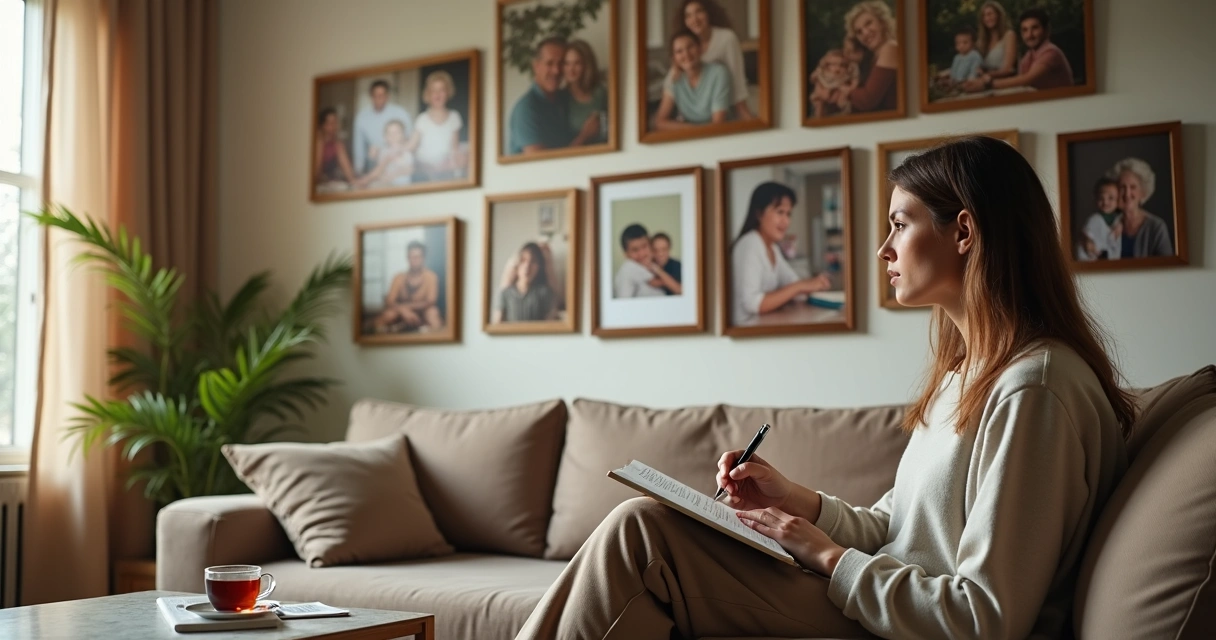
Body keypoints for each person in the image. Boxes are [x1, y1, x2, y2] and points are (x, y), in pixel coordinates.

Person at [514, 136, 1133, 640]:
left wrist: (827, 557)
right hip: (883, 605)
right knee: (642, 528)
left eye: (899, 223)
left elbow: (983, 619)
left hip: (903, 627)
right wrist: (793, 502)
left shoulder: (1034, 391)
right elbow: (899, 529)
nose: (885, 248)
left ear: (964, 232)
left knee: (641, 535)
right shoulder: (968, 373)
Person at [730, 182, 832, 326]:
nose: (786, 221)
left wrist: (813, 284)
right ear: (759, 213)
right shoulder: (750, 244)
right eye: (780, 212)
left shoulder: (773, 249)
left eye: (788, 214)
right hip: (745, 332)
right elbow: (752, 303)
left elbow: (795, 287)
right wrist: (800, 286)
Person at [667, 0, 754, 120]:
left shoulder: (726, 38)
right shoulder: (684, 48)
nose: (694, 19)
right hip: (692, 114)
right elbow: (670, 83)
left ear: (709, 13)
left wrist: (745, 113)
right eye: (688, 16)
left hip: (722, 107)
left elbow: (737, 81)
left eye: (699, 12)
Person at [509, 37, 590, 155]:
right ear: (536, 66)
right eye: (550, 63)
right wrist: (584, 136)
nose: (556, 71)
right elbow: (541, 164)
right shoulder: (526, 109)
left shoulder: (564, 99)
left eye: (561, 63)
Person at [966, 8, 1074, 93]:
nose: (1029, 35)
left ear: (1046, 30)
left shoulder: (1050, 52)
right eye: (1025, 30)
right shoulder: (1029, 55)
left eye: (1035, 28)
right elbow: (1019, 80)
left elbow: (1026, 80)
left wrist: (988, 84)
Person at [654, 29, 731, 129]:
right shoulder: (673, 77)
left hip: (721, 135)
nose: (686, 54)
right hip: (691, 135)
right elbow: (660, 121)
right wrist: (693, 131)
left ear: (700, 49)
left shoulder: (719, 73)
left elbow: (718, 124)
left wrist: (692, 131)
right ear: (674, 58)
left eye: (690, 47)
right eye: (679, 51)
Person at [834, 1, 900, 114]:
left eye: (868, 23)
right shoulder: (873, 58)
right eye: (859, 32)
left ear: (881, 21)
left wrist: (847, 91)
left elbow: (867, 100)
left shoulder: (890, 47)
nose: (865, 33)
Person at [1107, 157, 1173, 258]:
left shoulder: (1156, 227)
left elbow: (1170, 268)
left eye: (1133, 187)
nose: (1127, 194)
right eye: (1122, 187)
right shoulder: (1107, 223)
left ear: (1143, 192)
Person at [374, 241, 442, 333]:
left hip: (423, 313)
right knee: (388, 315)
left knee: (433, 313)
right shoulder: (399, 277)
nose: (414, 260)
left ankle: (425, 331)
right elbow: (390, 300)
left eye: (417, 257)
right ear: (407, 258)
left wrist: (406, 308)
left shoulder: (431, 276)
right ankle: (395, 329)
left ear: (423, 258)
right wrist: (403, 310)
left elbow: (431, 300)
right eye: (411, 257)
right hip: (401, 314)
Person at [409, 70, 464, 182]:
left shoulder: (454, 117)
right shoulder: (422, 118)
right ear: (428, 94)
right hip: (425, 168)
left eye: (442, 90)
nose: (438, 94)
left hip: (445, 167)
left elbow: (454, 148)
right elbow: (412, 146)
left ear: (448, 92)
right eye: (434, 91)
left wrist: (449, 164)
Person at [352, 80, 413, 175]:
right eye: (376, 95)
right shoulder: (362, 117)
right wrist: (358, 170)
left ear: (388, 96)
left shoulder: (401, 113)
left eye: (382, 95)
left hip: (398, 160)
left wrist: (398, 152)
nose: (379, 98)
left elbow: (410, 138)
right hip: (373, 163)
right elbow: (359, 147)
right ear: (371, 96)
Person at [493, 242, 556, 323]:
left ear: (539, 267)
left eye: (533, 261)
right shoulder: (505, 293)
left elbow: (550, 325)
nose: (527, 266)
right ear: (517, 264)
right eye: (523, 260)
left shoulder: (544, 293)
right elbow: (497, 324)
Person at [563, 39, 608, 147]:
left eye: (577, 63)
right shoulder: (561, 99)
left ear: (587, 65)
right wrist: (585, 135)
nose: (571, 69)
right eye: (567, 63)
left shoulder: (601, 92)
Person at [614, 224, 677, 298]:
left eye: (644, 246)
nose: (642, 254)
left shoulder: (660, 265)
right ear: (626, 255)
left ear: (650, 245)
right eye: (635, 250)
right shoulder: (628, 268)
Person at [353, 120, 414, 189]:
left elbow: (407, 170)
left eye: (397, 132)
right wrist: (373, 157)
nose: (393, 136)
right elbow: (378, 169)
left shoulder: (404, 152)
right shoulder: (384, 151)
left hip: (399, 186)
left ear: (403, 135)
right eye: (389, 133)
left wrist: (366, 180)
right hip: (385, 183)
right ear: (385, 137)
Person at [1075, 177, 1123, 261]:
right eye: (1101, 198)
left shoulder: (1119, 220)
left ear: (1118, 200)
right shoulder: (1094, 220)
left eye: (1111, 198)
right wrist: (1089, 243)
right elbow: (1086, 237)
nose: (1105, 202)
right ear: (1096, 199)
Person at [808, 49, 859, 118]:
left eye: (842, 65)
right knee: (819, 105)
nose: (838, 68)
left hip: (836, 96)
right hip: (822, 95)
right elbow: (813, 78)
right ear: (827, 65)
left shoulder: (845, 75)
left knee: (843, 99)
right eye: (834, 64)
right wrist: (814, 77)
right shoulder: (822, 73)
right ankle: (818, 119)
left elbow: (854, 81)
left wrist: (850, 88)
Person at [313, 108, 356, 187]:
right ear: (323, 126)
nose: (335, 126)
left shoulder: (337, 144)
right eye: (331, 123)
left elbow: (348, 171)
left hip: (329, 183)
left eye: (336, 122)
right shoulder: (317, 142)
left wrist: (355, 183)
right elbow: (315, 174)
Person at [976, 0, 1017, 77]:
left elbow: (1008, 68)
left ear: (998, 15)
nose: (987, 18)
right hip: (984, 81)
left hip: (1004, 81)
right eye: (984, 16)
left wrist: (986, 75)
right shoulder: (982, 42)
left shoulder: (1009, 35)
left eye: (990, 14)